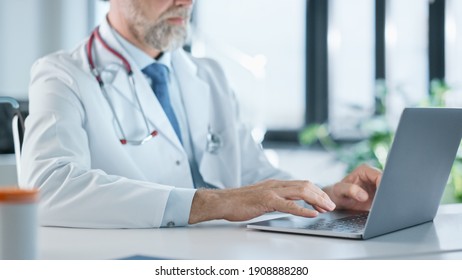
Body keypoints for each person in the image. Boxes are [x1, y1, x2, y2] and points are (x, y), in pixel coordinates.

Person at [20, 0, 381, 228]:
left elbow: (257, 176)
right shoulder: (63, 74)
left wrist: (327, 195)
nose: (185, 2)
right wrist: (214, 202)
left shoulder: (208, 75)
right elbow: (47, 189)